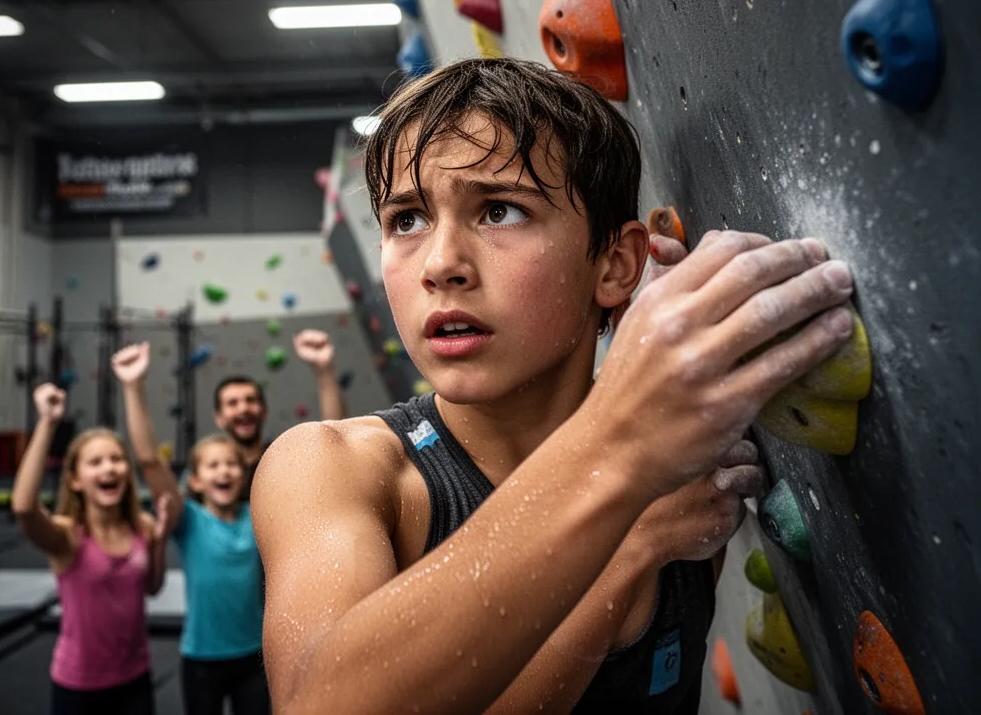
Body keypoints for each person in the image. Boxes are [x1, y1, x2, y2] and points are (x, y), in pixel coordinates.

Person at [252, 58, 856, 714]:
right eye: (407, 219)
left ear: (616, 263)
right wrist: (627, 539)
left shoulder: (679, 455)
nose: (441, 264)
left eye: (499, 210)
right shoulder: (331, 467)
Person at [112, 342, 270, 715]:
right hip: (202, 659)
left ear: (242, 472)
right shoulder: (190, 522)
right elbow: (150, 460)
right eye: (212, 466)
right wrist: (133, 386)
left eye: (230, 464)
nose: (224, 472)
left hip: (254, 656)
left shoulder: (257, 514)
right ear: (195, 482)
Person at [11, 383, 170, 715]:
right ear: (75, 480)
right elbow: (25, 507)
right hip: (79, 685)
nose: (109, 468)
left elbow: (153, 588)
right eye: (95, 462)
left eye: (116, 459)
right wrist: (47, 423)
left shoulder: (142, 526)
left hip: (135, 676)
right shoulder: (68, 537)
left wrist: (161, 538)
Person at [213, 328, 347, 500]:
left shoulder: (283, 458)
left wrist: (324, 370)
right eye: (232, 403)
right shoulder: (208, 471)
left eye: (251, 400)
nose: (243, 408)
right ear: (219, 418)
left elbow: (333, 441)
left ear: (264, 411)